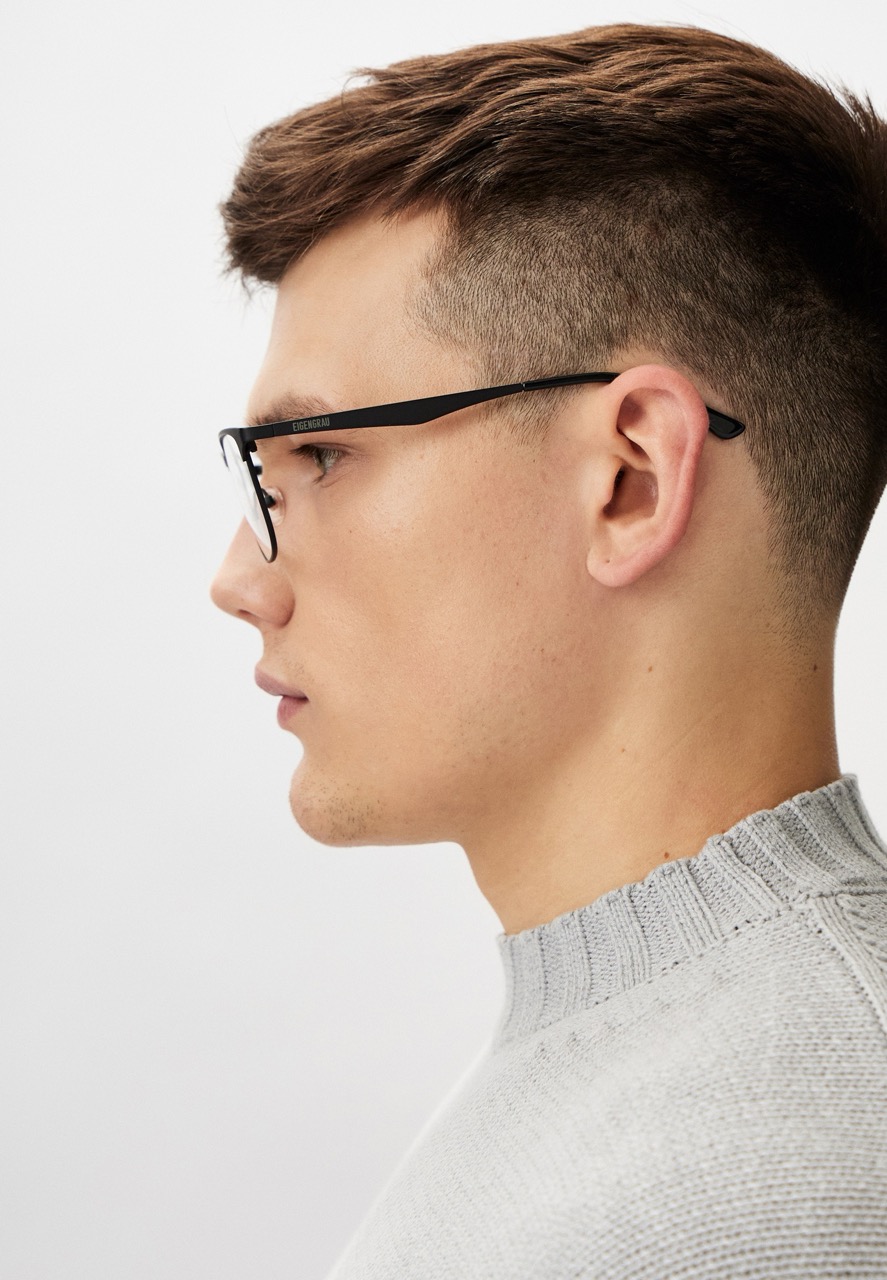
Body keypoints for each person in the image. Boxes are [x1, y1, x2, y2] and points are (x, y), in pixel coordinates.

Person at [209, 22, 887, 1278]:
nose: (239, 580)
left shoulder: (771, 1187)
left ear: (631, 479)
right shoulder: (635, 1086)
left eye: (322, 455)